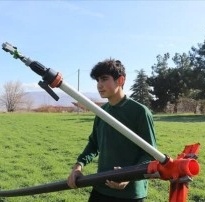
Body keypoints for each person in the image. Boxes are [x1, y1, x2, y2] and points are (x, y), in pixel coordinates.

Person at [67, 58, 157, 202]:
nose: (99, 85)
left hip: (130, 194)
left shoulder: (140, 112)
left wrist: (128, 176)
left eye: (104, 79)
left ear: (120, 80)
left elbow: (150, 153)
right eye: (97, 80)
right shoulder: (102, 112)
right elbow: (93, 144)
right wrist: (78, 166)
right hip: (101, 187)